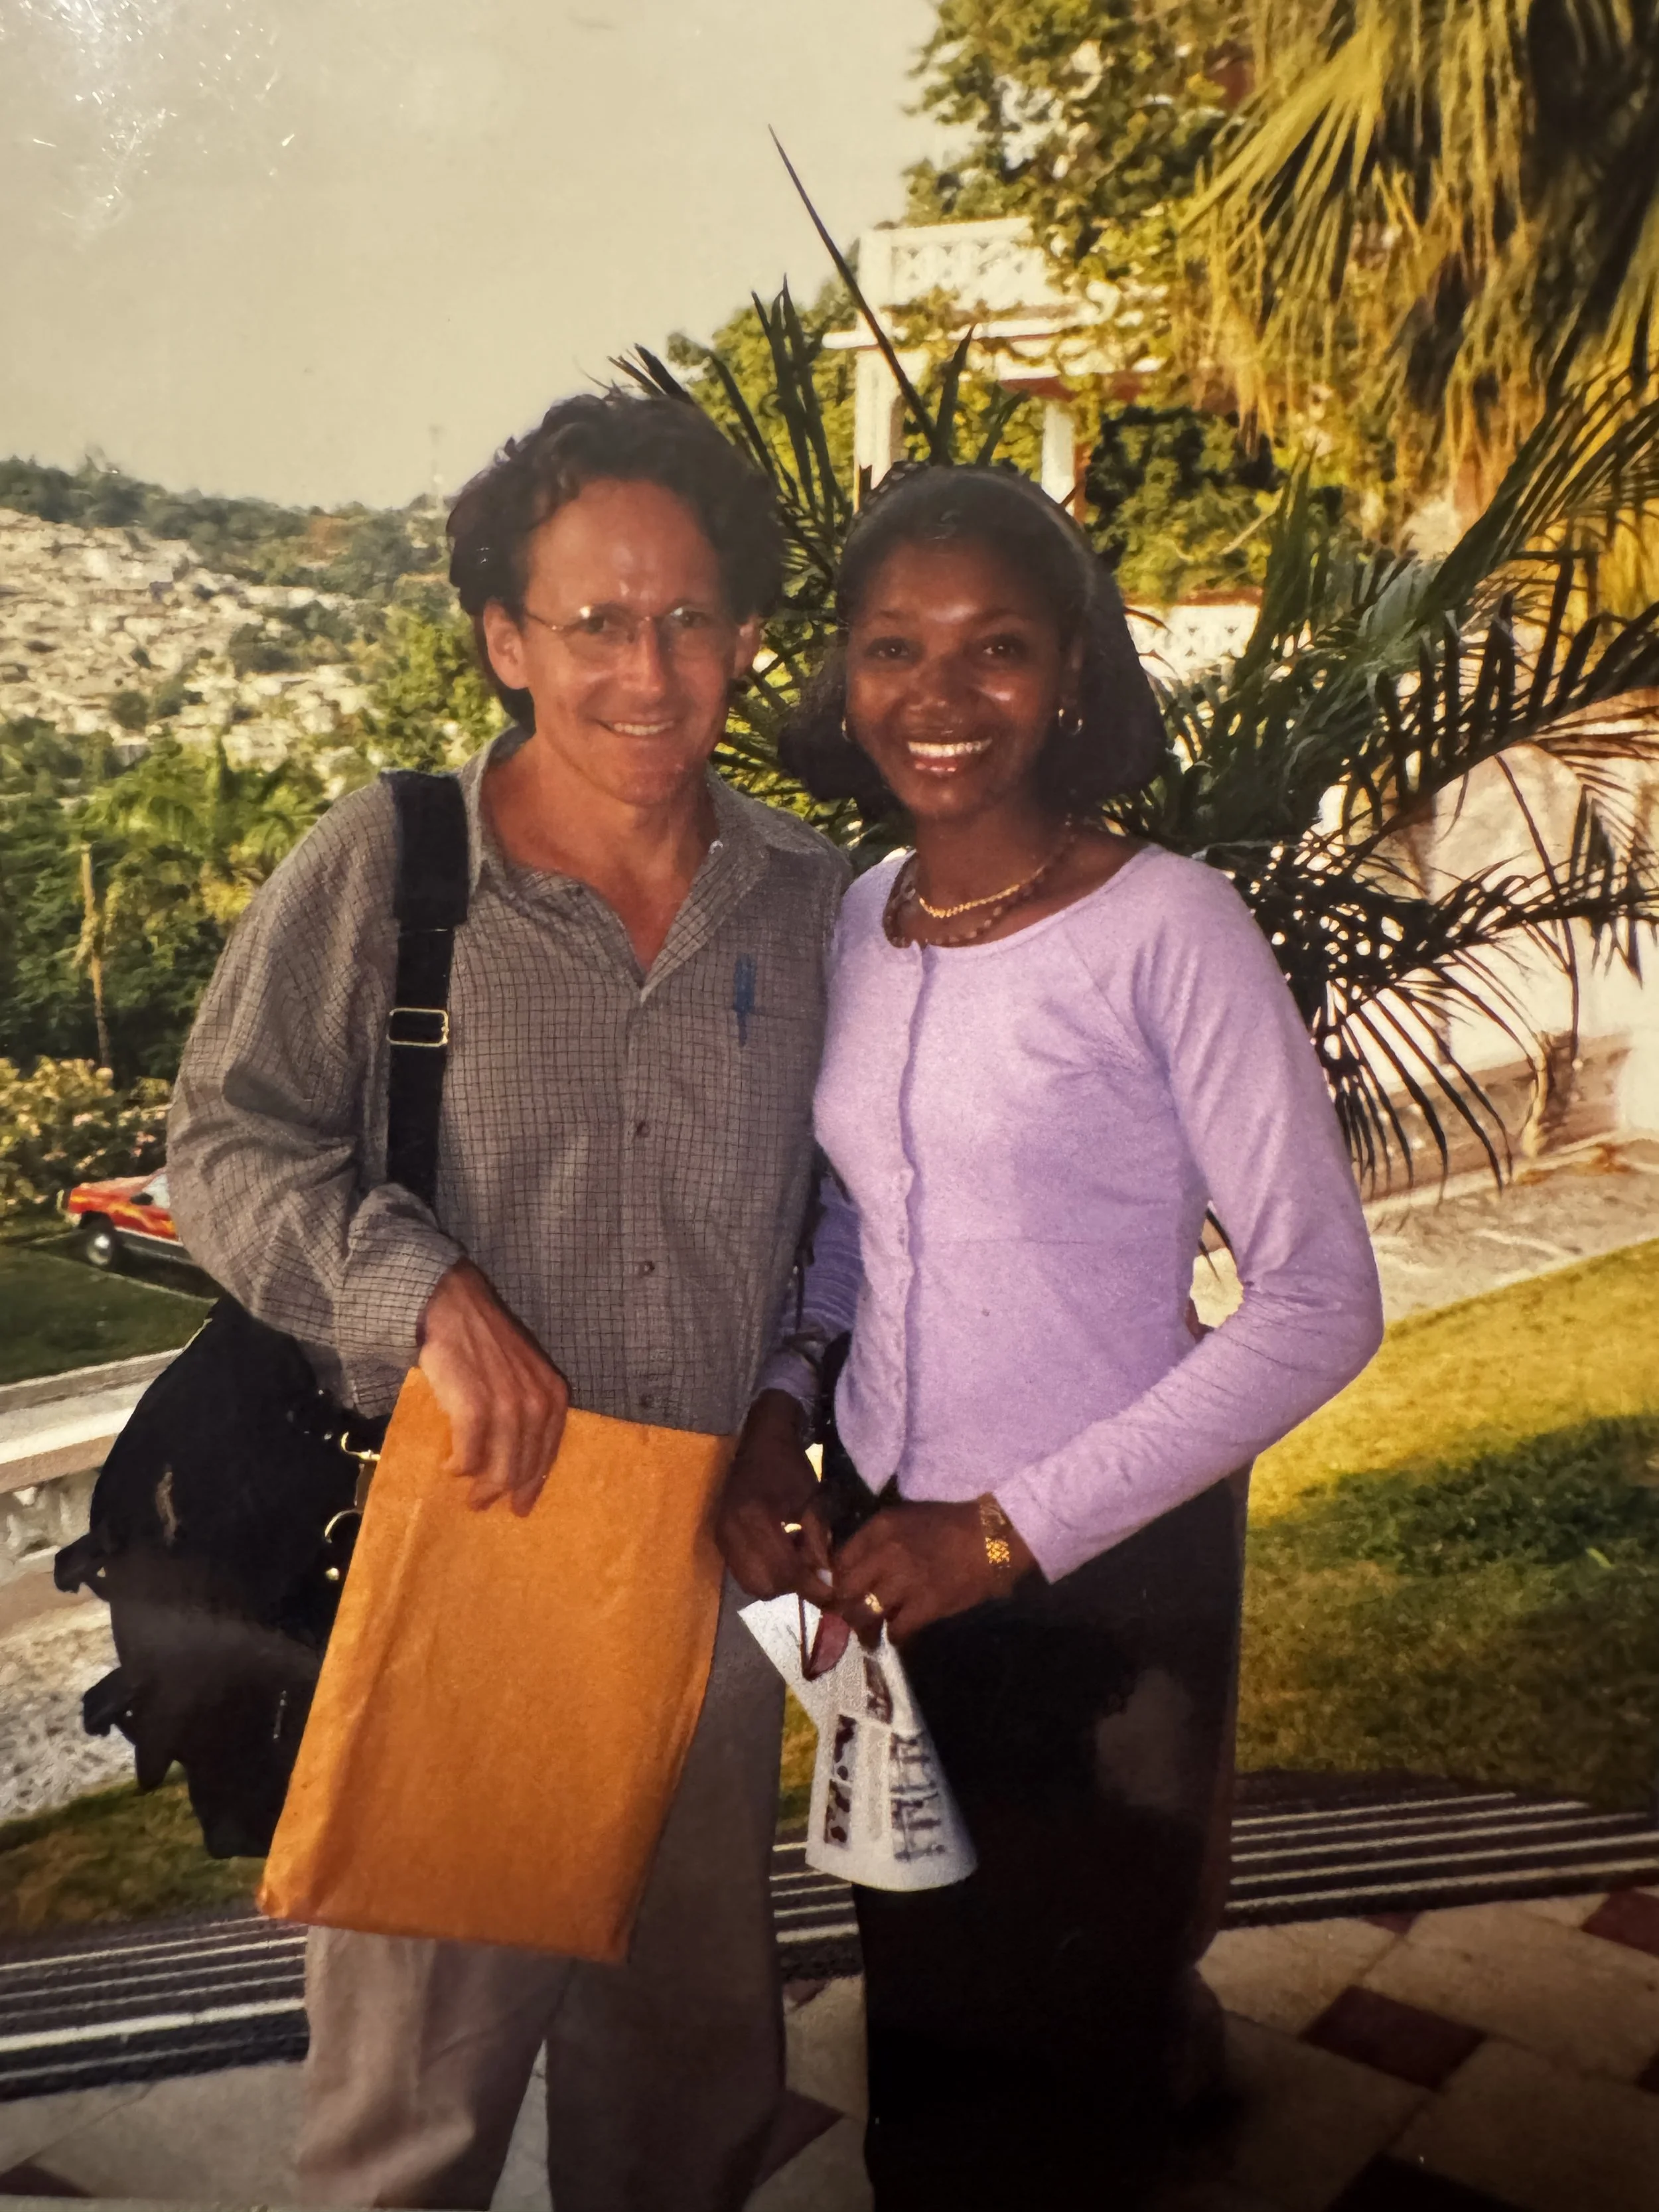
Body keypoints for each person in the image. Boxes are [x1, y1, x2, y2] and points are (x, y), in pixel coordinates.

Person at [166, 391, 848, 2212]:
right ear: (503, 638)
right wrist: (424, 1292)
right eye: (595, 621)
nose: (649, 666)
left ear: (746, 633)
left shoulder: (809, 907)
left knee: (688, 2095)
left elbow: (836, 1217)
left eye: (690, 615)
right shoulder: (392, 869)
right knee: (411, 2128)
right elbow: (224, 1148)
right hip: (453, 1575)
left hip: (696, 1587)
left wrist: (787, 1401)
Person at [717, 463, 1385, 2208]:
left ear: (1072, 672)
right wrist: (790, 1406)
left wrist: (1004, 1531)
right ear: (841, 679)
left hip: (1107, 1576)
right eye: (892, 648)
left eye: (995, 646)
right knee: (926, 2020)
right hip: (886, 1556)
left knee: (1078, 2053)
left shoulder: (1170, 928)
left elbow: (1318, 1301)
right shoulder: (857, 916)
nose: (939, 698)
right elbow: (859, 1211)